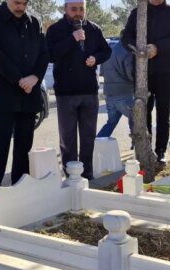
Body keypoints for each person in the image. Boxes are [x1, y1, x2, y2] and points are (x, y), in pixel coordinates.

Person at [0, 0, 48, 198]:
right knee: (0, 145)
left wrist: (35, 77)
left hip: (29, 93)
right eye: (17, 2)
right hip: (5, 93)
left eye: (25, 3)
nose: (21, 7)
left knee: (24, 145)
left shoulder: (34, 22)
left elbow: (44, 53)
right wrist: (19, 79)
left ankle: (21, 189)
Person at [46, 0, 111, 180]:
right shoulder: (55, 30)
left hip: (89, 91)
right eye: (74, 9)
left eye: (81, 9)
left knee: (88, 137)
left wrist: (95, 58)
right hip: (66, 93)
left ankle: (87, 175)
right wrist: (72, 39)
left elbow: (106, 51)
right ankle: (71, 176)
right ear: (65, 9)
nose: (78, 13)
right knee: (68, 139)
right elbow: (49, 54)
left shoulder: (94, 29)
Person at [122, 0, 170, 162]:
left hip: (166, 71)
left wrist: (158, 48)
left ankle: (160, 152)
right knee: (143, 113)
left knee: (163, 113)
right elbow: (125, 36)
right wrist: (136, 48)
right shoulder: (137, 12)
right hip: (142, 72)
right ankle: (145, 151)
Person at [96, 35, 135, 140]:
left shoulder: (110, 51)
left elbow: (102, 73)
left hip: (109, 93)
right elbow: (131, 74)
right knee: (136, 120)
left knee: (111, 122)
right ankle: (137, 145)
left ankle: (97, 144)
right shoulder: (127, 52)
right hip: (124, 92)